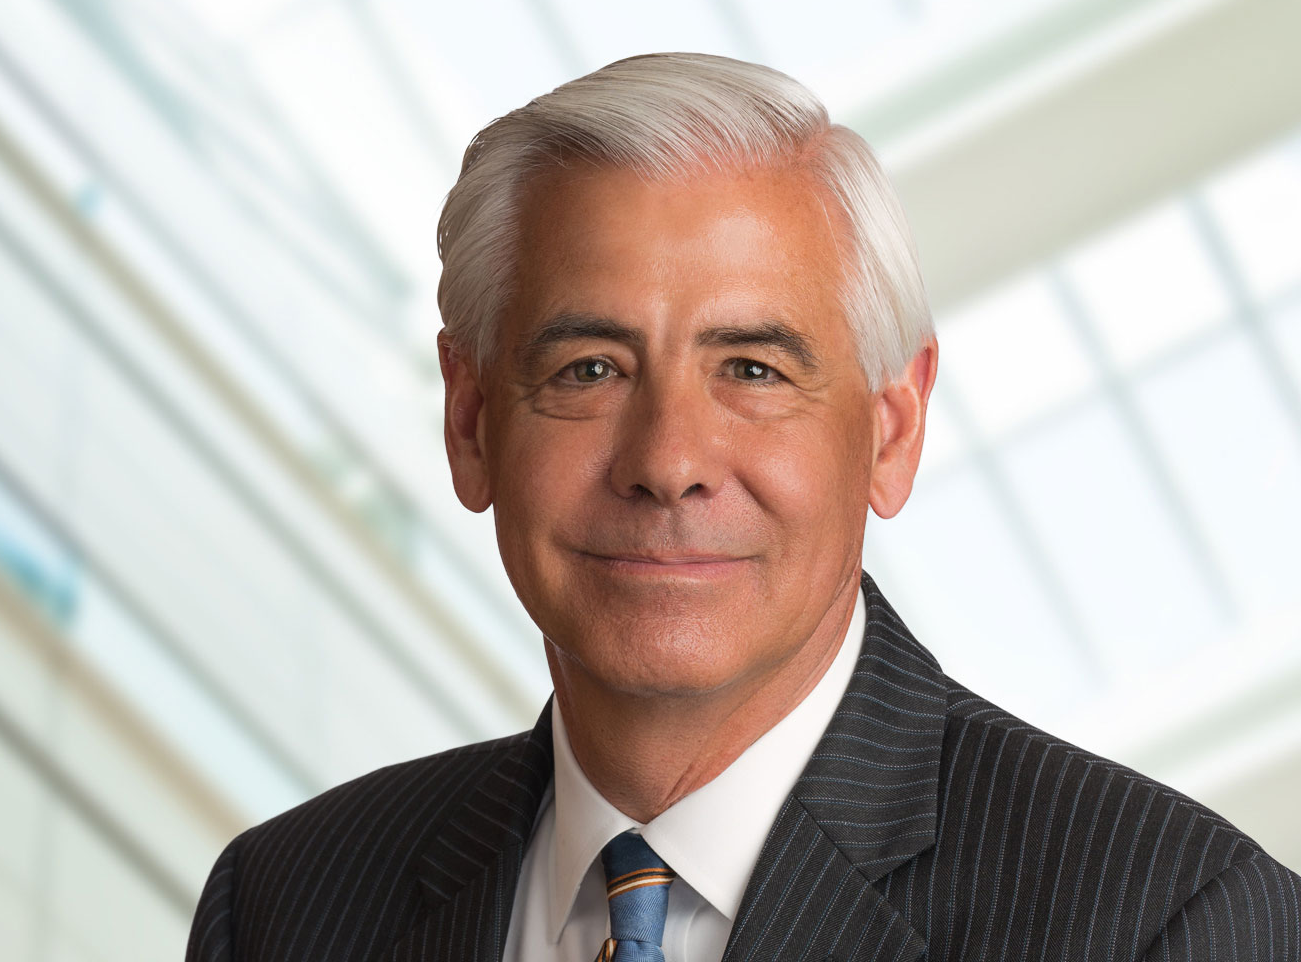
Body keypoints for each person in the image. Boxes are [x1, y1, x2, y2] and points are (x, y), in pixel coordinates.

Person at [184, 53, 1300, 962]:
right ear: (471, 421)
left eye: (753, 370)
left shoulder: (1173, 921)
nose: (668, 461)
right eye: (588, 368)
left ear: (892, 430)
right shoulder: (284, 908)